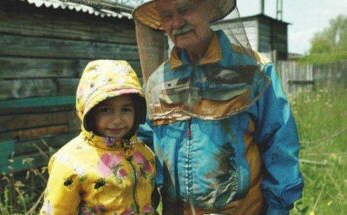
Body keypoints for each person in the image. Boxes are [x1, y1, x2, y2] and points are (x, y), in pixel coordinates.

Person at [132, 0, 304, 214]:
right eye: (167, 16)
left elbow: (280, 147)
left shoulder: (254, 70)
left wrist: (277, 209)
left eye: (185, 9)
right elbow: (143, 151)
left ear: (210, 8)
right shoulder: (157, 82)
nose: (176, 23)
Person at [40, 60, 156, 215]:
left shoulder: (143, 153)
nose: (117, 120)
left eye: (126, 110)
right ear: (89, 111)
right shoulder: (70, 163)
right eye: (106, 110)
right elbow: (57, 211)